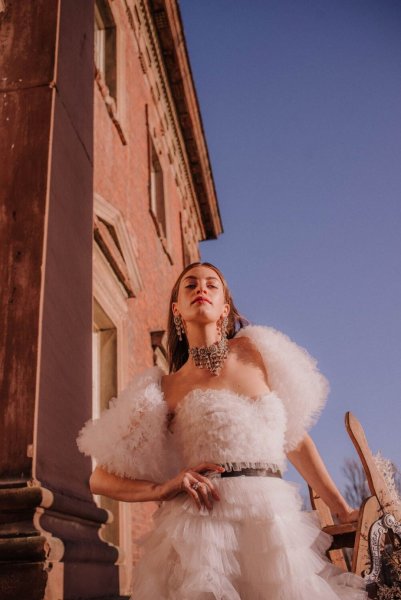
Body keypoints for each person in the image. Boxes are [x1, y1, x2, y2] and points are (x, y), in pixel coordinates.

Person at [77, 261, 369, 599]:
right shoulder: (163, 388)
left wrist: (341, 507)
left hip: (272, 524)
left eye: (211, 284)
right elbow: (100, 478)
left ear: (225, 308)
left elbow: (294, 438)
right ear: (177, 309)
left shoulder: (258, 352)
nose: (201, 288)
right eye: (190, 285)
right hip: (202, 535)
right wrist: (161, 488)